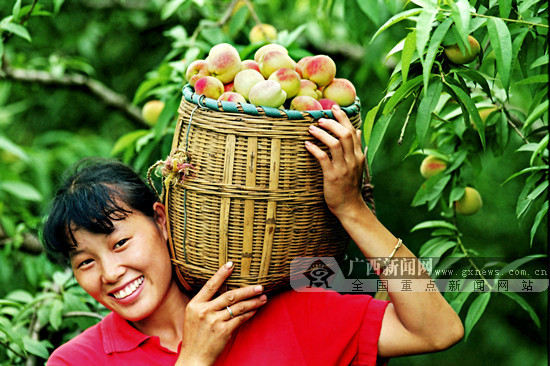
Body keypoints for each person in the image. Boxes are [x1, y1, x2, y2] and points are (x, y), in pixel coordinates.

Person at [42, 105, 464, 365]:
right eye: (85, 262)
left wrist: (350, 208)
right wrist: (194, 359)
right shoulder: (77, 361)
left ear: (161, 220)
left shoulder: (286, 311)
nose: (111, 271)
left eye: (120, 243)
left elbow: (436, 331)